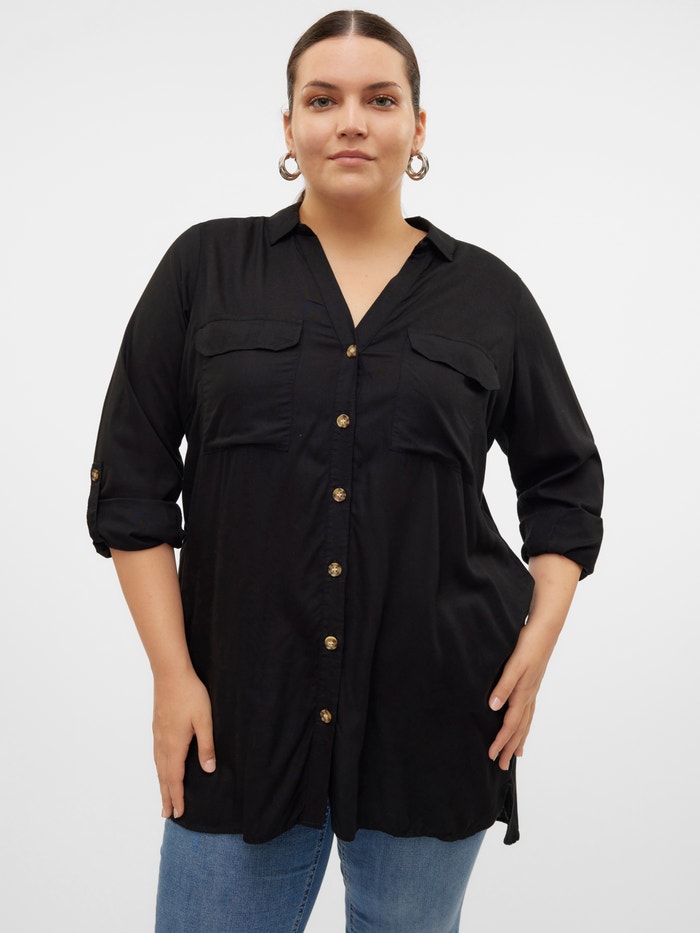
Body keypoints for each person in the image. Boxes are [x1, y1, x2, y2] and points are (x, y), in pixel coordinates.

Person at [87, 10, 603, 932]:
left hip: (436, 714)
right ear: (289, 126)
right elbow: (130, 483)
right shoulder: (206, 267)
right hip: (238, 718)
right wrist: (172, 675)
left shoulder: (488, 296)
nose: (351, 121)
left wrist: (539, 642)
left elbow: (564, 482)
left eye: (381, 99)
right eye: (323, 100)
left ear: (418, 125)